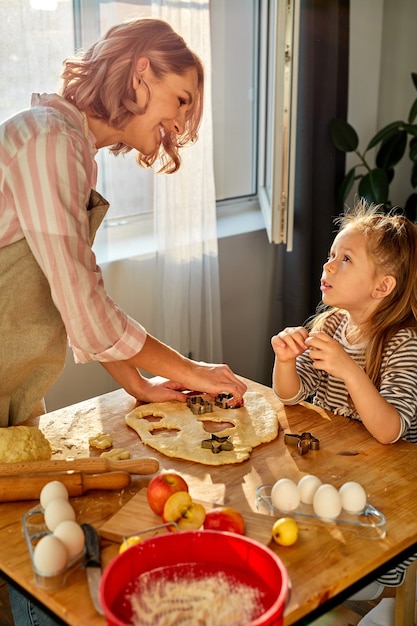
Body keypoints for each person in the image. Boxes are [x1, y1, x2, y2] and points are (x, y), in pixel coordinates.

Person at [1, 17, 246, 626]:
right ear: (141, 71)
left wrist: (138, 386)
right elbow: (84, 305)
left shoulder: (69, 147)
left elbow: (71, 290)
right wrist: (196, 371)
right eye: (181, 99)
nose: (184, 124)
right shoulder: (49, 141)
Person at [271, 198, 417, 625]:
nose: (328, 266)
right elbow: (291, 395)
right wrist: (284, 360)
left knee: (356, 571)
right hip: (339, 468)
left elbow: (391, 430)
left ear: (382, 287)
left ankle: (373, 600)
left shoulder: (403, 343)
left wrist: (350, 370)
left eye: (345, 259)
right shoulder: (332, 325)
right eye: (331, 255)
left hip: (386, 492)